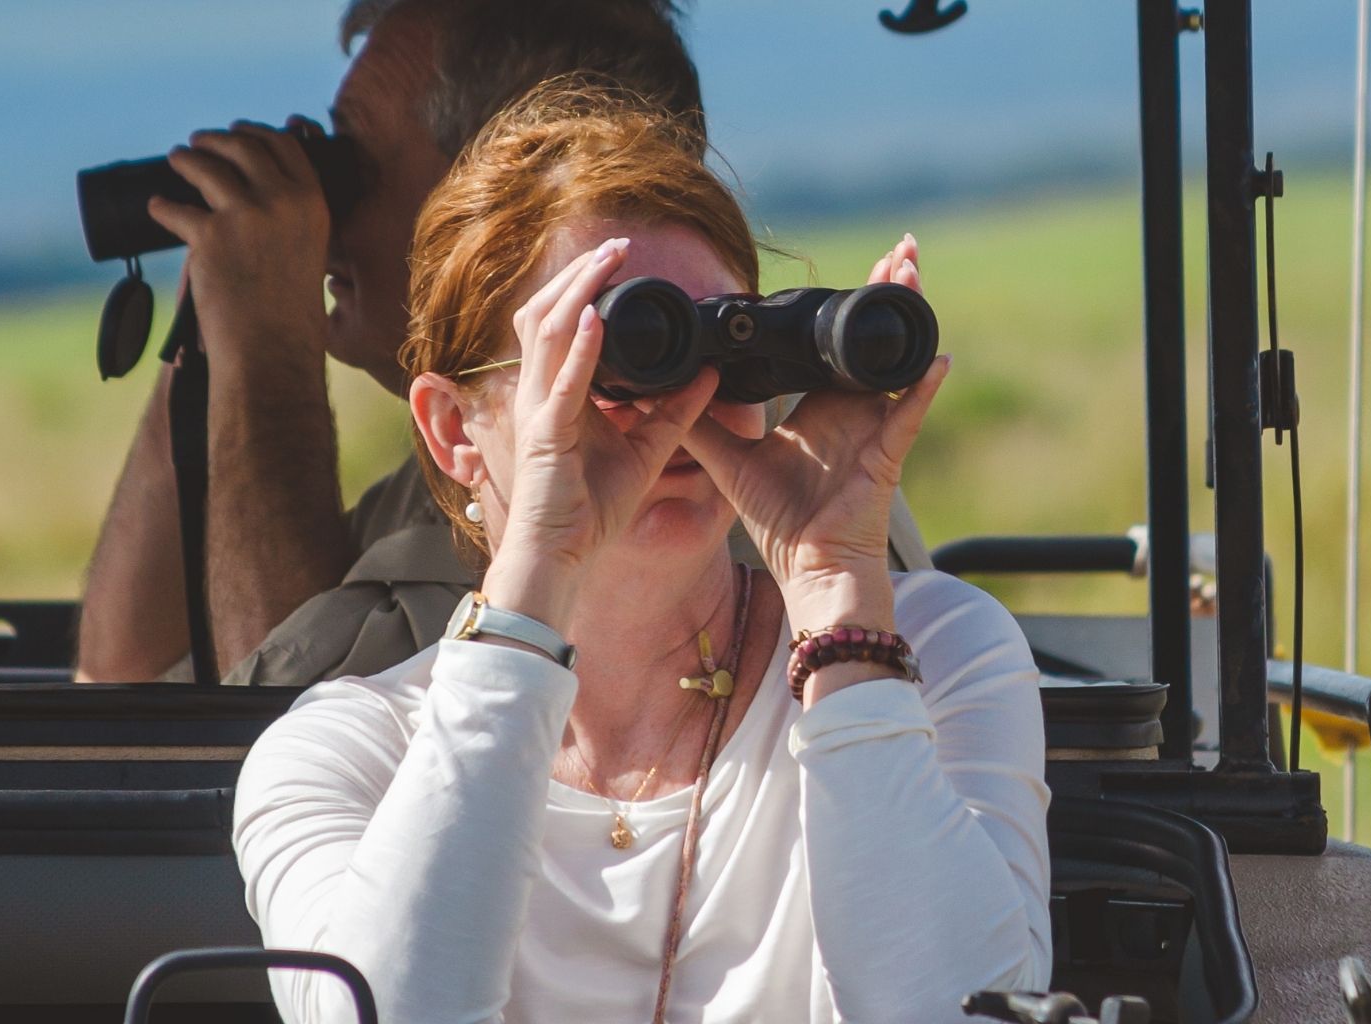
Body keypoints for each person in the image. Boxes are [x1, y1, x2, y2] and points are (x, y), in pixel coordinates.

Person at [231, 80, 1049, 1024]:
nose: (675, 408)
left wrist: (837, 600)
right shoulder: (341, 758)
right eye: (606, 358)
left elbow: (959, 1013)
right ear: (455, 428)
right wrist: (539, 566)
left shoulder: (926, 655)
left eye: (725, 355)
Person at [73, 0, 934, 686]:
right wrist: (219, 318)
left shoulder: (741, 465)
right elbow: (126, 682)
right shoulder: (468, 454)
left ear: (496, 197)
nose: (325, 223)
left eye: (355, 170)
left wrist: (265, 354)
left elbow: (277, 737)